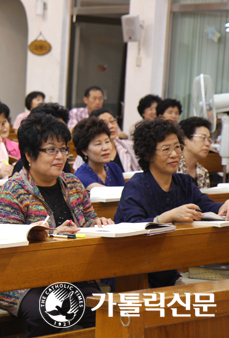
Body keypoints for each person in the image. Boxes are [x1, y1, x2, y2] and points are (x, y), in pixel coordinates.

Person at [0, 113, 112, 337]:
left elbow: (87, 224)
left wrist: (98, 224)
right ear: (29, 155)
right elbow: (8, 248)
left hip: (71, 273)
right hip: (23, 282)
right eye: (51, 150)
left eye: (64, 149)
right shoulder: (13, 191)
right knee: (47, 313)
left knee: (105, 310)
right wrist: (54, 237)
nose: (60, 157)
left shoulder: (73, 184)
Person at [114, 118, 229, 287]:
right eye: (166, 149)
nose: (174, 154)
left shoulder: (182, 182)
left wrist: (224, 206)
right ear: (148, 154)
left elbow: (208, 207)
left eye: (177, 147)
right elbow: (132, 227)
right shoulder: (136, 185)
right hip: (134, 271)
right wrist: (167, 217)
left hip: (168, 268)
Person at [12, 103, 72, 175]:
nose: (60, 156)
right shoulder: (21, 173)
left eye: (62, 149)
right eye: (51, 149)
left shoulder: (70, 179)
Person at [73, 109, 140, 173]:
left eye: (112, 121)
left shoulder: (129, 146)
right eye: (105, 123)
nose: (111, 126)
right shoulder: (86, 152)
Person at [72, 117, 125, 190]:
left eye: (107, 142)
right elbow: (104, 193)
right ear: (84, 151)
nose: (105, 148)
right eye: (98, 144)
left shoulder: (114, 168)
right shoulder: (80, 176)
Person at [178, 117, 212, 189]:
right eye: (203, 138)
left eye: (209, 140)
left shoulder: (203, 172)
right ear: (184, 140)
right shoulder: (174, 168)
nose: (207, 144)